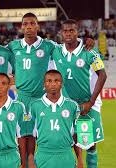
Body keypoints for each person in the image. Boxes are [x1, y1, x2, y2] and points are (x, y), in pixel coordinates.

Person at [7, 12, 94, 167]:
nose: (29, 27)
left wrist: (85, 41)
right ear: (21, 27)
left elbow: (68, 45)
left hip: (42, 98)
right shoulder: (13, 46)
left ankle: (70, 160)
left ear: (37, 26)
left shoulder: (49, 46)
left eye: (32, 23)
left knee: (52, 134)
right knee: (24, 136)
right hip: (22, 98)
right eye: (25, 24)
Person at [51, 19, 107, 168]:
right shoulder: (55, 51)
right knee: (72, 141)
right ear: (61, 33)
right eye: (65, 31)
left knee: (89, 144)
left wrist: (91, 102)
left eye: (72, 30)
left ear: (78, 32)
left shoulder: (90, 51)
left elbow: (103, 75)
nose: (68, 33)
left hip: (88, 104)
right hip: (68, 105)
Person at [30, 70, 80, 168]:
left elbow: (76, 134)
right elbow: (31, 135)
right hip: (43, 155)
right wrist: (31, 159)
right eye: (49, 81)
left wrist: (80, 160)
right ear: (44, 84)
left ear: (61, 84)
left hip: (66, 154)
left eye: (56, 81)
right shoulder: (35, 106)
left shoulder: (72, 106)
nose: (53, 84)